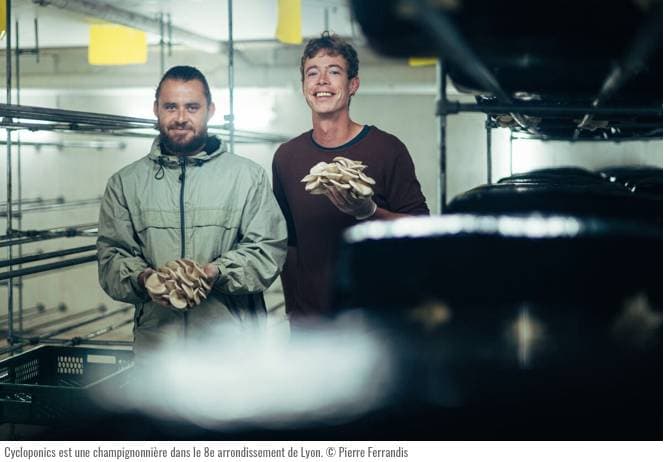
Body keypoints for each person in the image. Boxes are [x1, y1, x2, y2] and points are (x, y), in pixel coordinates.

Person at [97, 65, 287, 355]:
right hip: (159, 349)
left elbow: (267, 251)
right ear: (156, 109)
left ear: (210, 110)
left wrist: (216, 272)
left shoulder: (247, 177)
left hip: (233, 350)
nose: (181, 118)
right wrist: (144, 279)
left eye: (192, 107)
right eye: (171, 107)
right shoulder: (125, 184)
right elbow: (111, 259)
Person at [272, 32, 429, 321]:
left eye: (334, 72)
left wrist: (368, 211)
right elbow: (290, 244)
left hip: (375, 321)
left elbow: (421, 231)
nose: (321, 81)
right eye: (312, 73)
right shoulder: (286, 157)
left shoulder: (387, 149)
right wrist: (294, 310)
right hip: (312, 325)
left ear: (353, 85)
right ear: (304, 85)